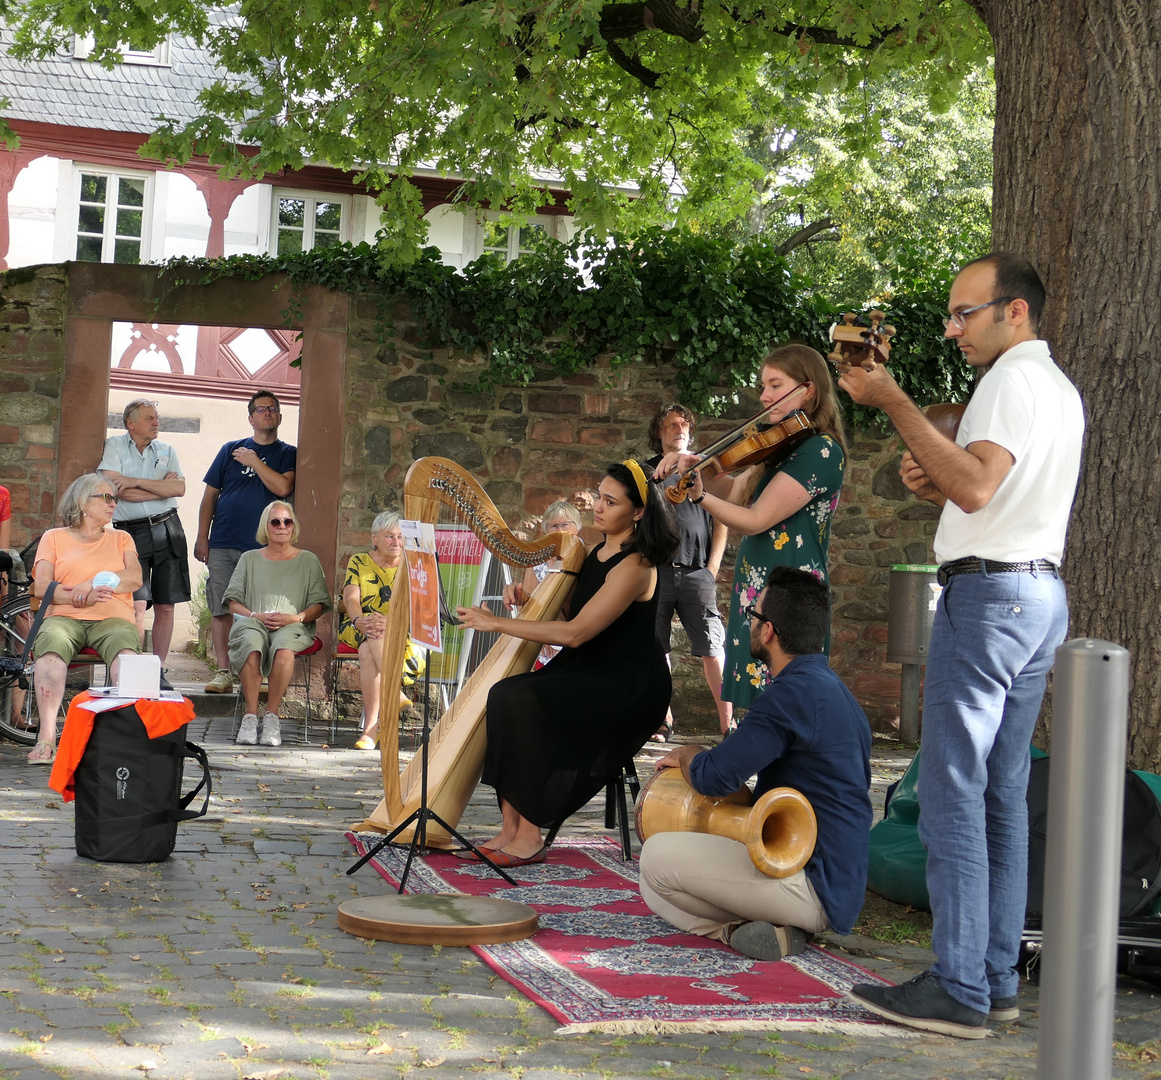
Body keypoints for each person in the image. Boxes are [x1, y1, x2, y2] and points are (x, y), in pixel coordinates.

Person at [841, 253, 1085, 1039]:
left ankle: (956, 988)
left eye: (963, 313)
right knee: (999, 796)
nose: (952, 329)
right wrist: (936, 476)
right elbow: (980, 484)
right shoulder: (1054, 386)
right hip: (1037, 593)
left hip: (988, 600)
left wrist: (889, 398)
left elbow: (977, 489)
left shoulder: (1009, 381)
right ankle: (990, 981)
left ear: (1014, 312)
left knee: (951, 790)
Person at [454, 460, 679, 868]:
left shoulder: (636, 565)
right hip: (589, 667)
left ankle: (528, 836)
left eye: (611, 502)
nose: (598, 506)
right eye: (600, 496)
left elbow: (576, 633)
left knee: (518, 697)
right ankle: (510, 829)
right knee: (506, 695)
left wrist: (497, 622)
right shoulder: (594, 553)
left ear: (640, 511)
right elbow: (564, 614)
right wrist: (524, 595)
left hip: (627, 682)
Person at [639, 567, 871, 960]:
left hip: (808, 882)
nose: (750, 624)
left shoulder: (789, 695)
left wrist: (687, 753)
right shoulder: (833, 689)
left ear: (769, 632)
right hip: (837, 884)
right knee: (650, 884)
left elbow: (715, 776)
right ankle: (769, 932)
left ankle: (737, 931)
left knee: (656, 858)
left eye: (754, 616)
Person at [655, 344, 846, 712]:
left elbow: (757, 517)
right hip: (760, 584)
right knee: (762, 703)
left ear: (808, 388)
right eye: (763, 386)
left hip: (790, 589)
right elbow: (734, 491)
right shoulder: (781, 447)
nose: (764, 396)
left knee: (785, 702)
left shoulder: (820, 451)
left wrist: (698, 497)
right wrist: (694, 468)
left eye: (775, 385)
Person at [27, 473, 143, 764]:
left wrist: (91, 584)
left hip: (112, 617)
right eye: (105, 497)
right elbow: (41, 587)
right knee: (50, 650)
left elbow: (134, 578)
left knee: (126, 656)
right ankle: (47, 738)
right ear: (82, 502)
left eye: (114, 498)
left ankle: (122, 739)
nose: (113, 503)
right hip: (64, 617)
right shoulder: (54, 538)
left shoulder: (121, 538)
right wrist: (79, 598)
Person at [195, 390, 297, 693]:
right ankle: (223, 673)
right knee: (222, 607)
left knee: (260, 608)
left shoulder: (287, 453)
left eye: (272, 409)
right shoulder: (230, 450)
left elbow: (282, 486)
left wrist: (254, 460)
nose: (267, 413)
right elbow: (210, 495)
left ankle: (257, 675)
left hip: (262, 547)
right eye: (260, 409)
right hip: (224, 541)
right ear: (250, 417)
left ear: (279, 416)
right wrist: (203, 537)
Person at [646, 403, 730, 738]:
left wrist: (713, 566)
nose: (680, 429)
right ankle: (662, 719)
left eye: (685, 423)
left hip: (698, 571)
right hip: (658, 571)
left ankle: (729, 723)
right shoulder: (647, 471)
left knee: (712, 648)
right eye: (670, 425)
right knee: (657, 649)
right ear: (658, 433)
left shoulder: (702, 469)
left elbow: (722, 515)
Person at [98, 399, 190, 690]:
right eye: (149, 418)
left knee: (166, 605)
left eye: (157, 417)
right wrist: (158, 488)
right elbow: (114, 490)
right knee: (136, 604)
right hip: (130, 534)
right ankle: (133, 667)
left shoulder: (167, 451)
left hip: (168, 528)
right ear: (131, 424)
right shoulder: (114, 446)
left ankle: (158, 671)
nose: (156, 422)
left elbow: (179, 488)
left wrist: (132, 482)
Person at [223, 501, 329, 748]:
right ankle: (250, 717)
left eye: (287, 521)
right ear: (266, 527)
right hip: (254, 621)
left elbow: (319, 604)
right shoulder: (249, 558)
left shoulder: (308, 560)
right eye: (276, 521)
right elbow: (232, 602)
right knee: (251, 643)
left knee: (283, 648)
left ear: (293, 527)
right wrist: (256, 616)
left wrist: (295, 618)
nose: (282, 526)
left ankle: (271, 716)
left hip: (292, 623)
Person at [338, 510, 426, 750]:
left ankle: (371, 730)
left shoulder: (413, 565)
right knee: (373, 633)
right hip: (360, 625)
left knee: (368, 648)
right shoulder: (359, 561)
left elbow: (420, 606)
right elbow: (351, 597)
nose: (396, 542)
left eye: (400, 537)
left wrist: (393, 622)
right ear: (374, 538)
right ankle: (393, 692)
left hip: (403, 630)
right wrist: (359, 620)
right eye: (389, 536)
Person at [518, 500, 583, 670]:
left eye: (565, 524)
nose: (559, 530)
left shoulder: (587, 556)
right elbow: (528, 607)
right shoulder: (538, 562)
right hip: (546, 644)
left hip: (579, 638)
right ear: (546, 530)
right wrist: (540, 638)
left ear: (577, 527)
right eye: (553, 526)